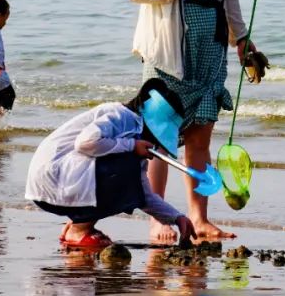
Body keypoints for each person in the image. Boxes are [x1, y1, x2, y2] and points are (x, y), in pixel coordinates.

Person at [127, 0, 259, 242]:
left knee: (201, 134)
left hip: (211, 44)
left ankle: (199, 219)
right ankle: (159, 218)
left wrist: (242, 38)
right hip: (168, 47)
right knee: (160, 136)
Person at [25, 78, 196, 248]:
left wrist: (177, 217)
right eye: (157, 140)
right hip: (51, 178)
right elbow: (85, 142)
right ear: (150, 128)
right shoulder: (121, 116)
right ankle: (79, 230)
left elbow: (143, 195)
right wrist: (131, 146)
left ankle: (79, 225)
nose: (156, 147)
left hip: (61, 182)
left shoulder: (135, 141)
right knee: (127, 169)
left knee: (131, 173)